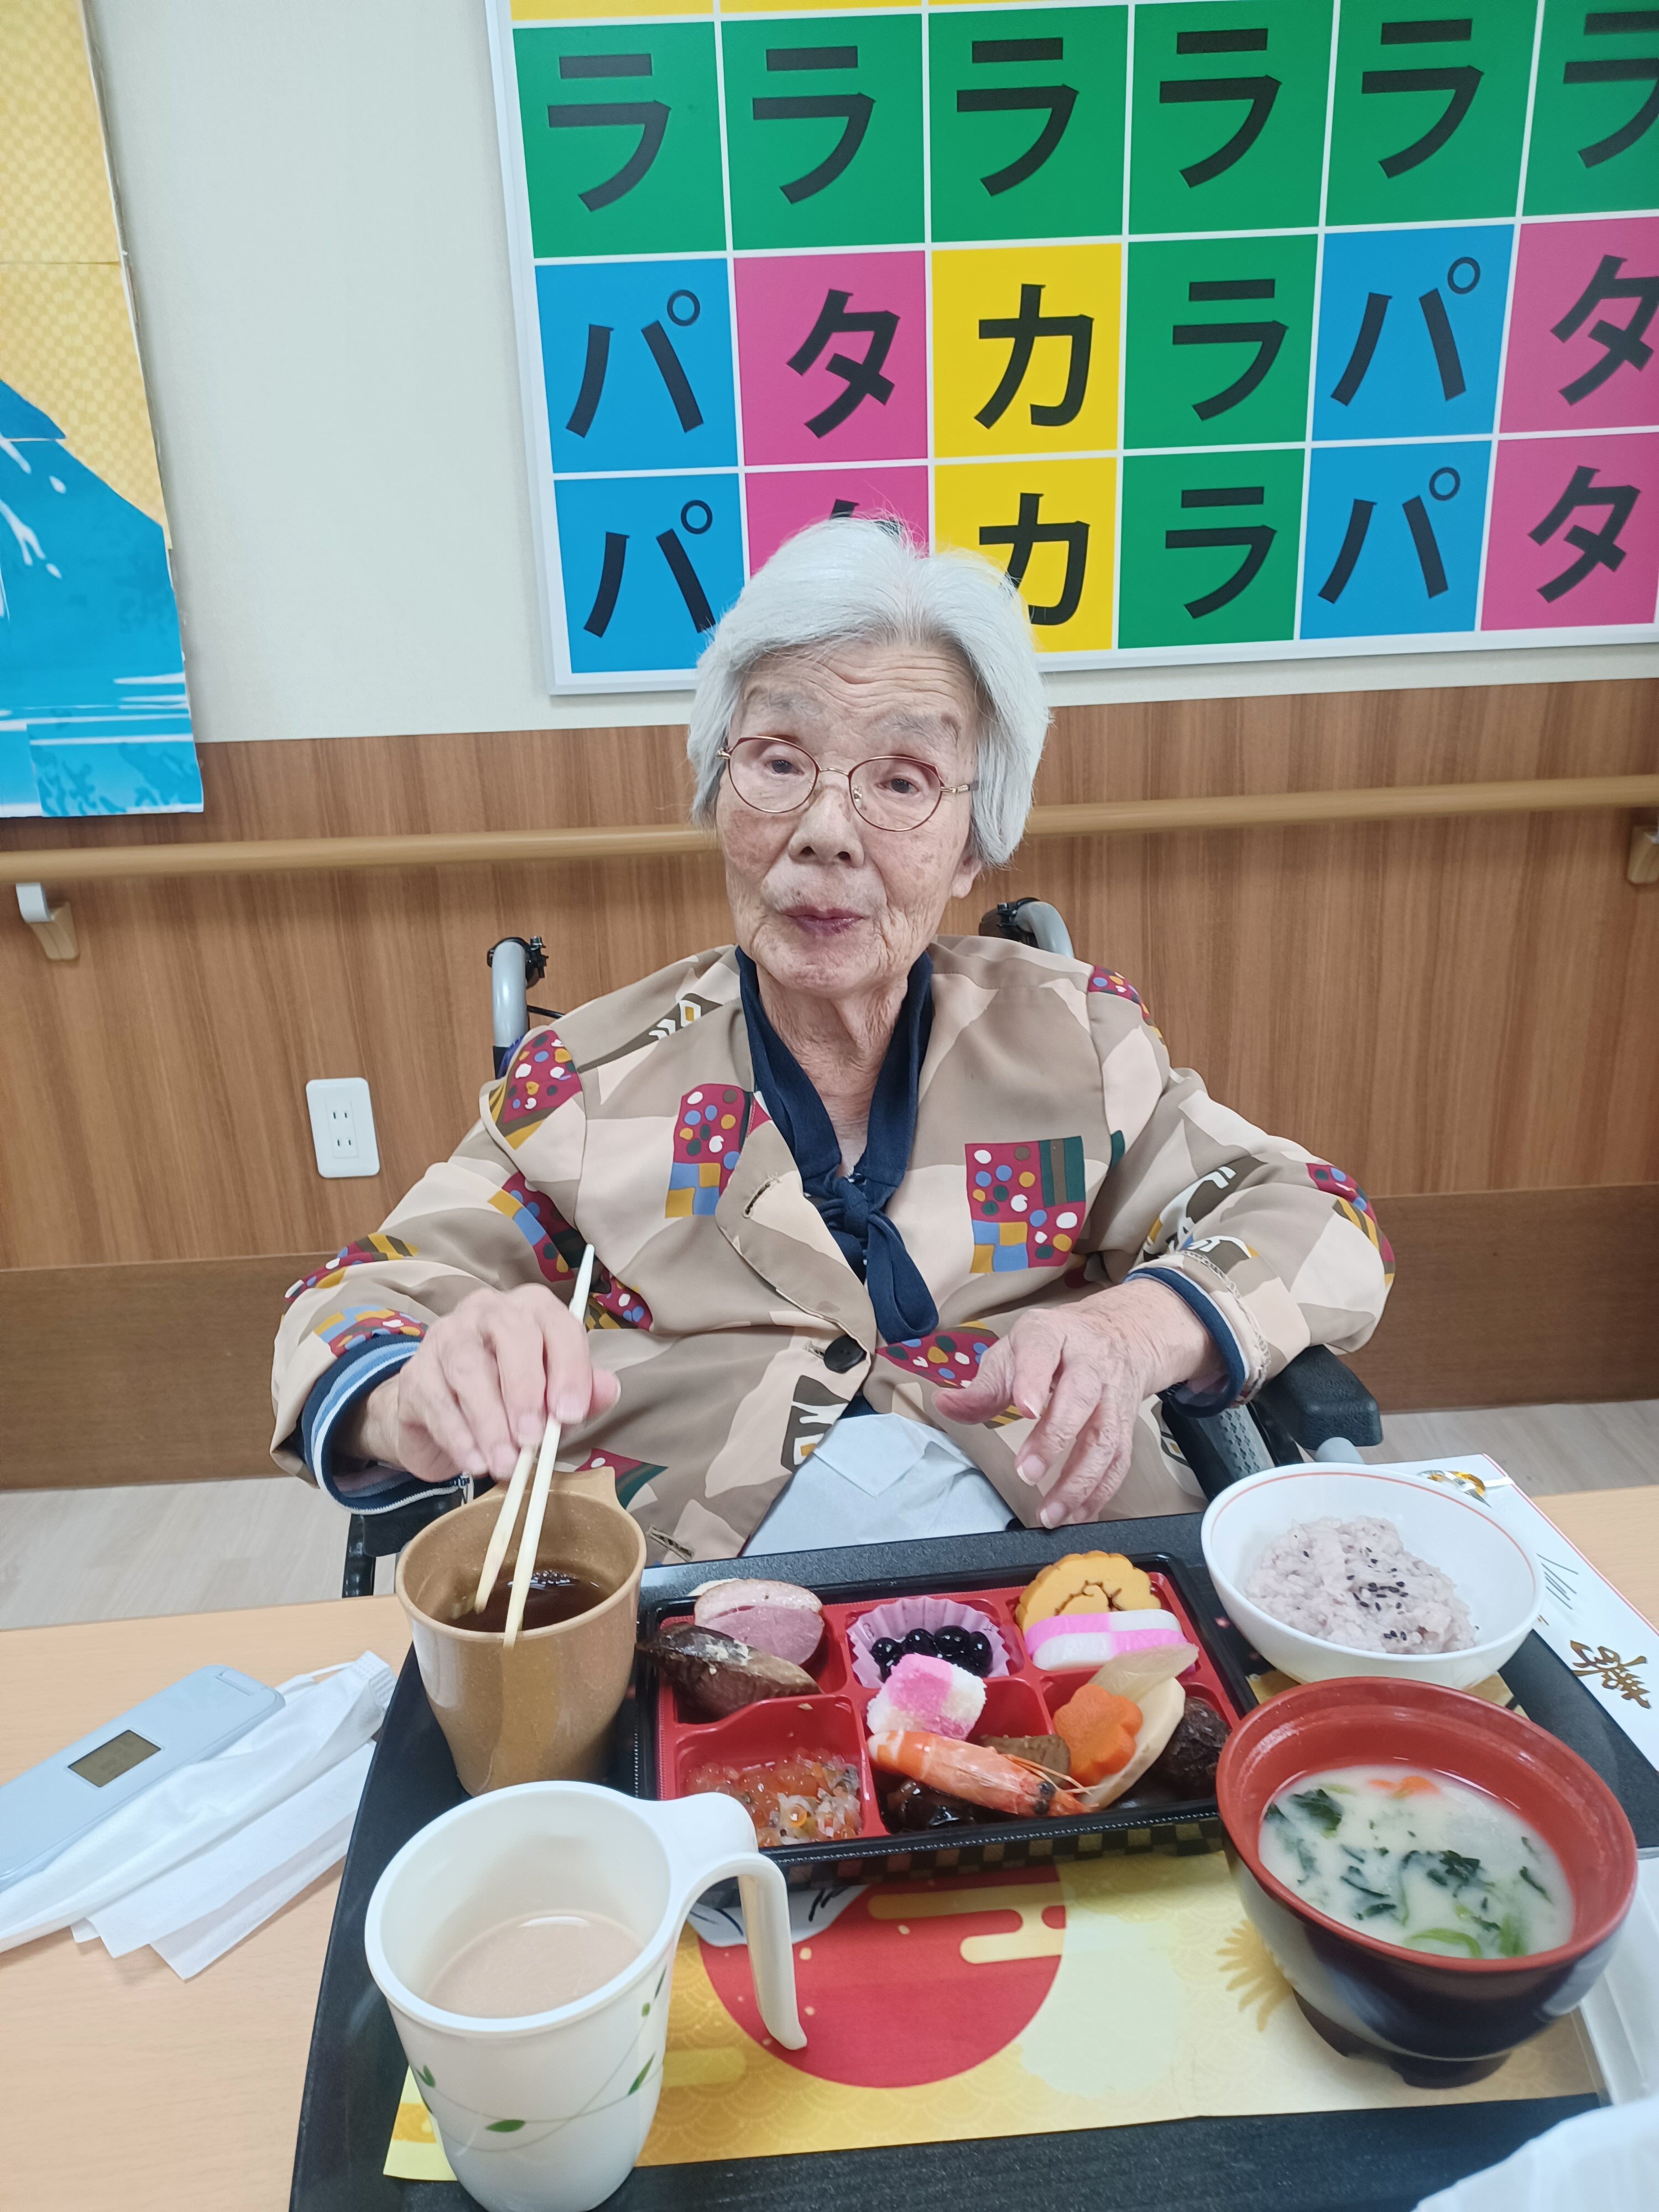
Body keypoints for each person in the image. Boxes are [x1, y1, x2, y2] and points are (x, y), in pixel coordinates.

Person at [271, 520, 1392, 1562]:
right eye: (777, 760)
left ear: (971, 846)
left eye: (902, 780)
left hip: (1063, 1591)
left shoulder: (1075, 1042)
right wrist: (415, 1387)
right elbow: (362, 1291)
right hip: (688, 1596)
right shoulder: (589, 1083)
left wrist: (1142, 1326)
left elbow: (1318, 1214)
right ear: (719, 795)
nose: (824, 832)